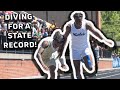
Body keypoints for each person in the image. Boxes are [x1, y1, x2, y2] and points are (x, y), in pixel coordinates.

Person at [62, 11, 114, 79]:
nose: (79, 24)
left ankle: (84, 60)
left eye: (80, 22)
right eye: (77, 22)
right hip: (74, 50)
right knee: (77, 72)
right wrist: (61, 49)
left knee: (90, 68)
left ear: (82, 19)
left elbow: (96, 33)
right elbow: (64, 38)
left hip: (84, 49)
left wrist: (105, 40)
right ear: (74, 19)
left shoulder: (87, 24)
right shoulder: (69, 26)